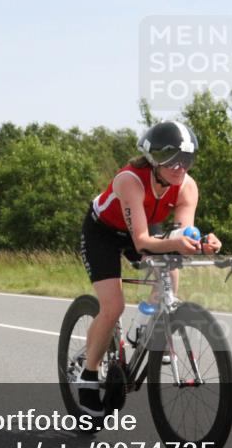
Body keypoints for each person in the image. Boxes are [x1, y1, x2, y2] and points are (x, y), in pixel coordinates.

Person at [77, 120, 221, 417]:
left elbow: (182, 233)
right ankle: (88, 373)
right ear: (154, 158)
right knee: (113, 306)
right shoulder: (129, 180)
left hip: (142, 227)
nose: (180, 167)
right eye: (172, 159)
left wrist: (200, 243)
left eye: (187, 160)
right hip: (103, 233)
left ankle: (143, 327)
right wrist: (175, 243)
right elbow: (142, 242)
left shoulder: (187, 187)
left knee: (171, 270)